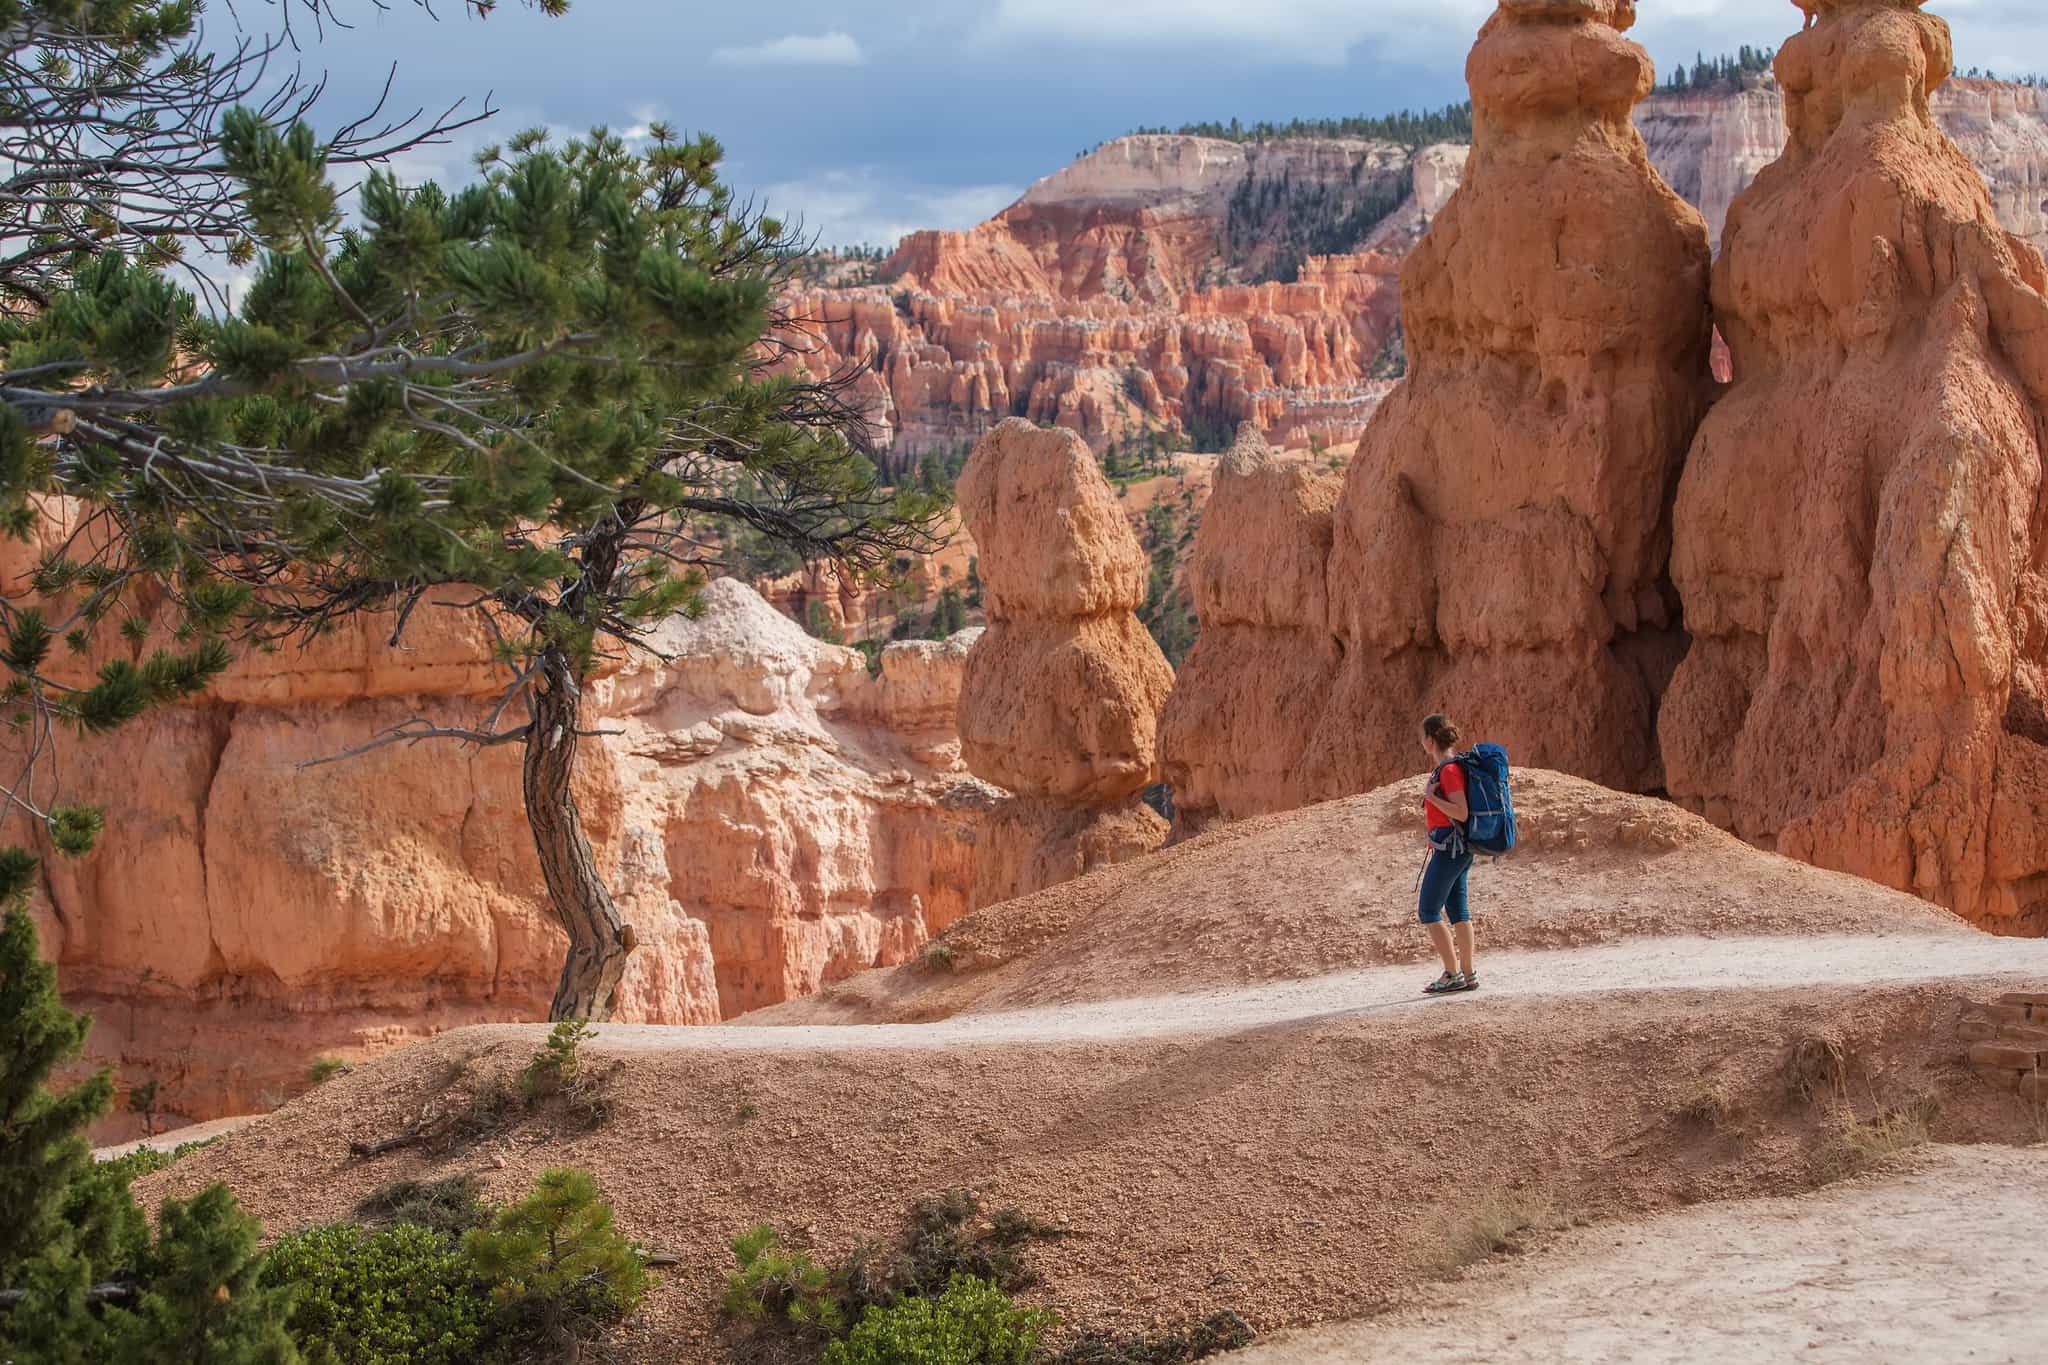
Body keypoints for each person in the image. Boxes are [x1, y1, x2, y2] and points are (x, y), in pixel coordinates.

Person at [1418, 713, 1479, 995]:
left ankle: (1452, 973)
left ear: (1430, 740)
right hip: (1456, 848)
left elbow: (1461, 812)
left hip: (1451, 849)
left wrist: (1431, 797)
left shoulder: (1449, 771)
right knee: (1457, 910)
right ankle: (1467, 974)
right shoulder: (1448, 769)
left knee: (1428, 909)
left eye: (1423, 738)